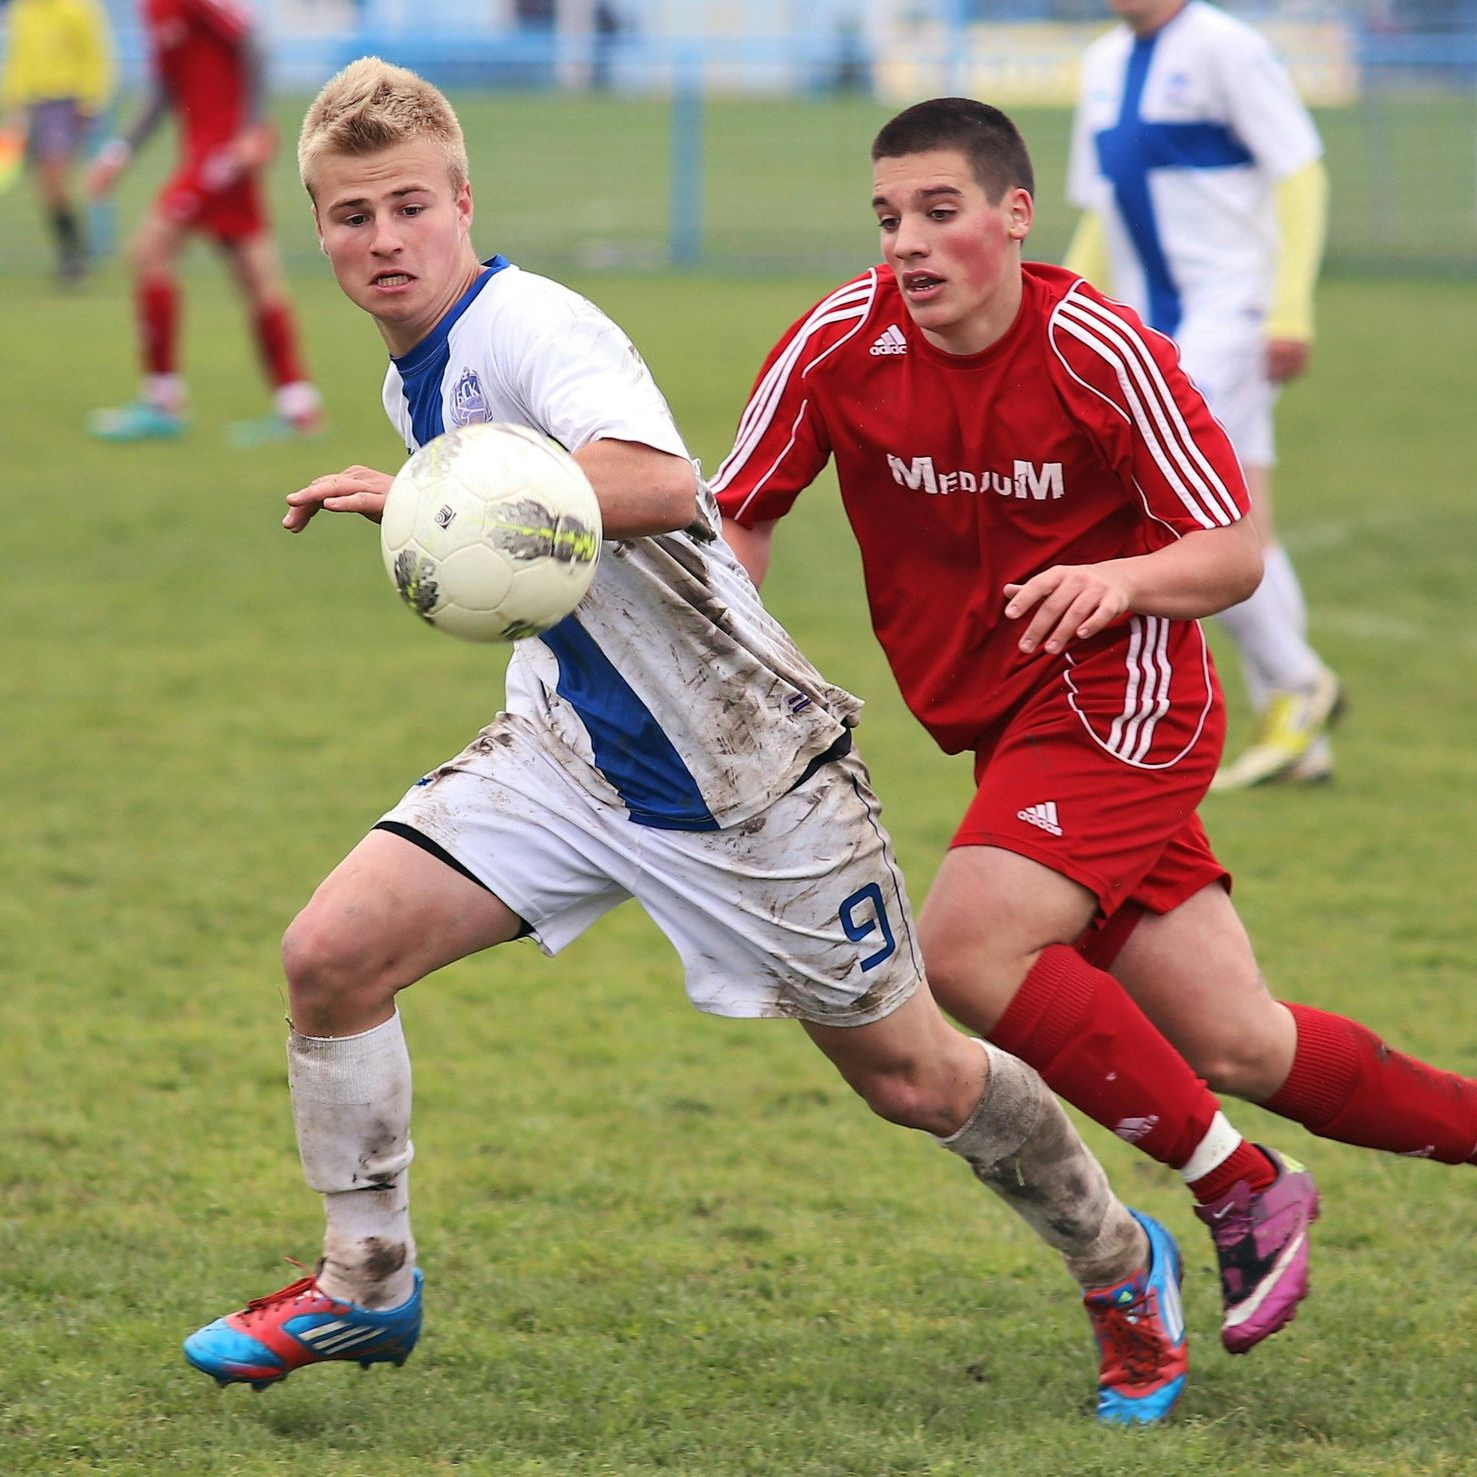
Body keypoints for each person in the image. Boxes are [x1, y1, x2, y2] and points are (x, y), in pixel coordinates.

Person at [180, 58, 1194, 1427]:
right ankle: (364, 1280)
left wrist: (446, 492)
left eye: (407, 206)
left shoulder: (536, 328)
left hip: (750, 779)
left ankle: (1121, 1260)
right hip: (571, 755)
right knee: (331, 953)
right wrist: (438, 496)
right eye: (350, 217)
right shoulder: (414, 376)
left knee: (915, 1076)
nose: (381, 241)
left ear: (462, 201)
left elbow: (663, 484)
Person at [715, 95, 1477, 1358]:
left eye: (939, 211)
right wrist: (720, 647)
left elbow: (1232, 550)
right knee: (1240, 1038)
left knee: (964, 948)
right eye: (888, 214)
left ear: (1015, 218)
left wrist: (1119, 582)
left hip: (1125, 702)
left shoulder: (1098, 349)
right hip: (1005, 735)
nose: (906, 241)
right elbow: (737, 510)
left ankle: (1240, 1187)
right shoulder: (838, 345)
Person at [1064, 0, 1340, 790]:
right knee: (1238, 514)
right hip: (1159, 331)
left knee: (1168, 508)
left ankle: (1297, 682)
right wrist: (1067, 308)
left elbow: (1299, 173)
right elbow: (1103, 209)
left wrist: (1288, 307)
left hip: (1233, 318)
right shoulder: (1100, 64)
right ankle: (1299, 729)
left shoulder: (1227, 48)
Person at [83, 0, 321, 445]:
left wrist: (251, 128)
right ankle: (298, 406)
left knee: (148, 252)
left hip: (224, 153)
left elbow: (254, 41)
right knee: (256, 275)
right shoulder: (152, 9)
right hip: (210, 152)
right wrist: (120, 154)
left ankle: (163, 400)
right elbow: (162, 90)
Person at [0, 0, 115, 283]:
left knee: (54, 179)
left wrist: (90, 101)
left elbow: (95, 58)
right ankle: (73, 252)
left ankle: (74, 257)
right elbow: (18, 61)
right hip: (28, 106)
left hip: (64, 103)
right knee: (40, 186)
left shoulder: (77, 9)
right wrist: (11, 103)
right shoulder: (22, 11)